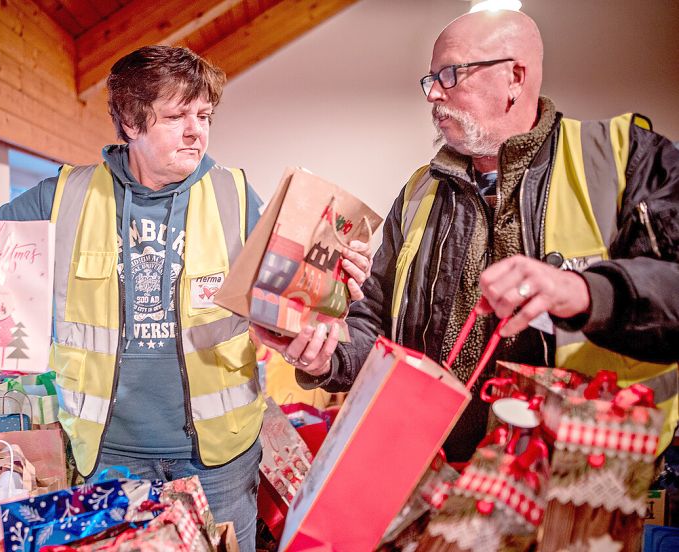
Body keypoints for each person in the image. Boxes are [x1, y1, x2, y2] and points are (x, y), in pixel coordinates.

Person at [0, 45, 373, 550]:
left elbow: (293, 308)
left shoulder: (235, 194)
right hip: (109, 456)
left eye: (203, 115)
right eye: (176, 116)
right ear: (132, 123)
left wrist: (336, 284)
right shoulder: (66, 196)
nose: (196, 131)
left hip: (219, 460)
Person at [257, 9, 679, 462]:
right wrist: (327, 358)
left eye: (451, 74)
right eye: (430, 79)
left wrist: (583, 290)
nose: (434, 93)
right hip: (442, 470)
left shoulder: (625, 157)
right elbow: (375, 326)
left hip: (585, 482)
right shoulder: (420, 191)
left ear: (515, 77)